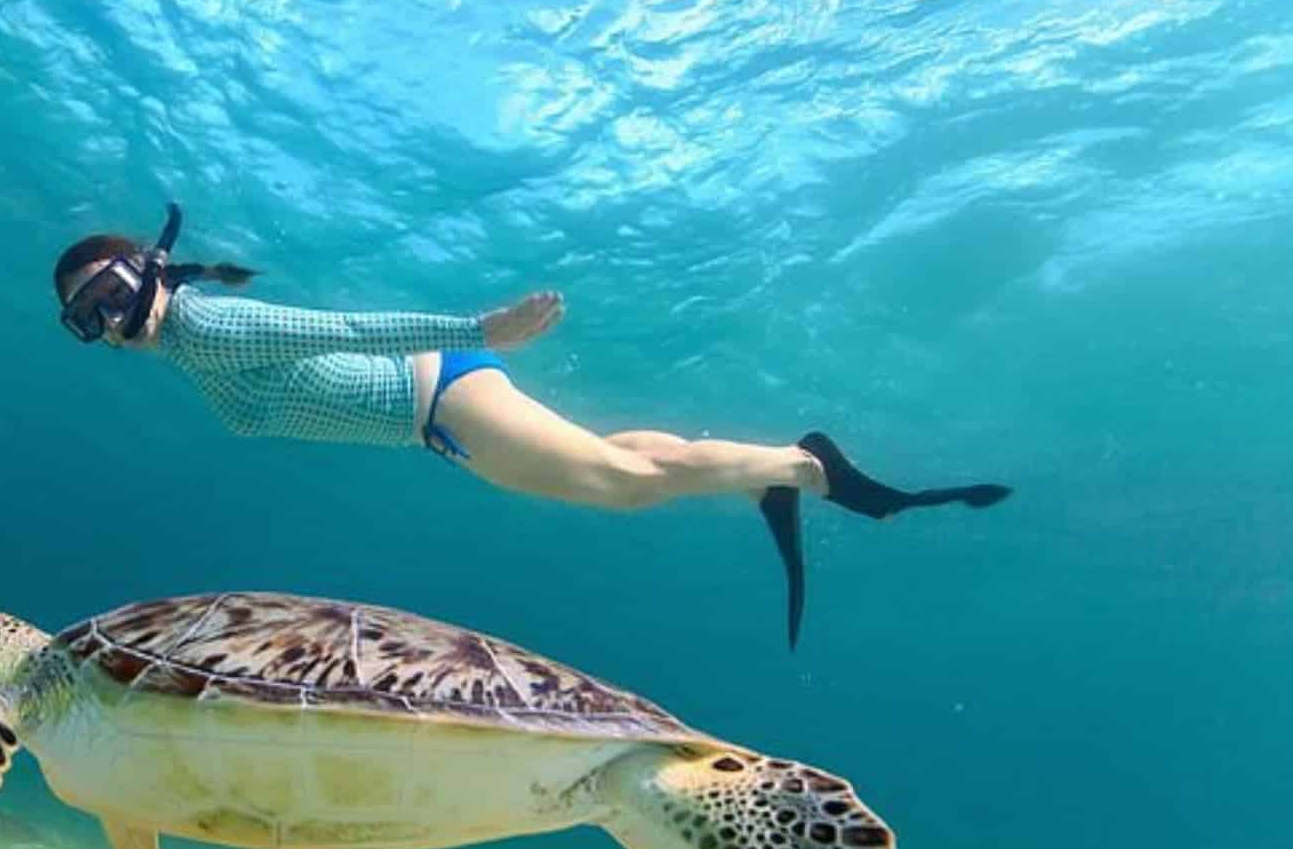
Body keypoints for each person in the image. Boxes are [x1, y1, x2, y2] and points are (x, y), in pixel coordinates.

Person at [54, 205, 1010, 647]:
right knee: (620, 465)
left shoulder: (206, 324)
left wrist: (480, 328)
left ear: (144, 270)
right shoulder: (188, 345)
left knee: (620, 490)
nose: (104, 324)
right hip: (437, 414)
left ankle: (806, 470)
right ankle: (774, 470)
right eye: (82, 320)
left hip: (437, 396)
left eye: (102, 296)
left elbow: (342, 328)